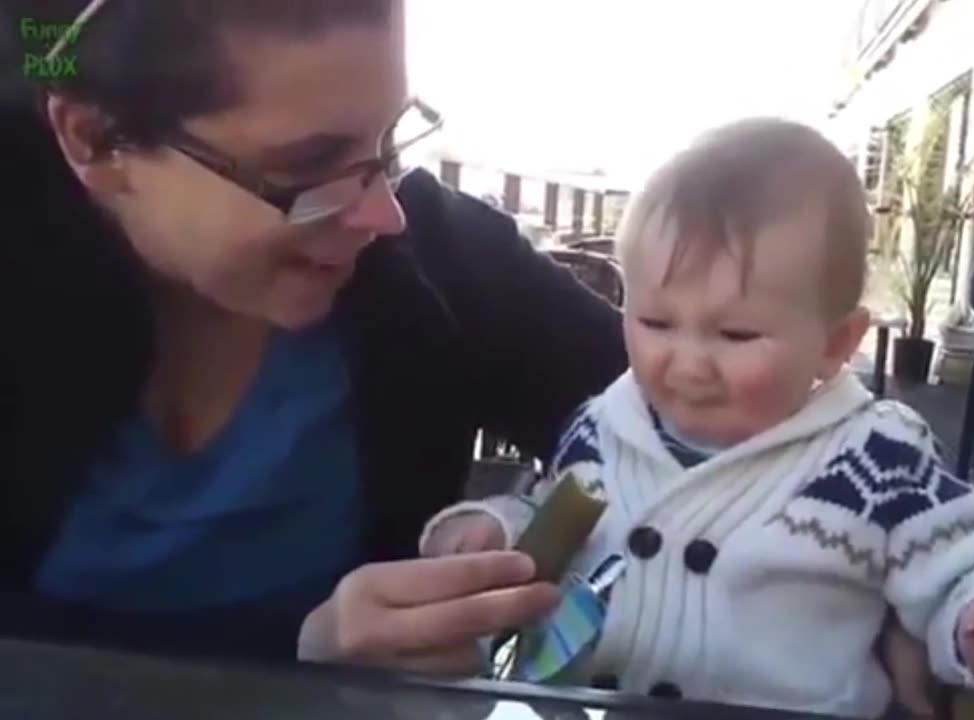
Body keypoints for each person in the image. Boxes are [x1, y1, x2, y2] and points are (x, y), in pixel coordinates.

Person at [0, 0, 628, 670]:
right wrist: (296, 655)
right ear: (94, 139)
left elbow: (697, 432)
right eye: (311, 166)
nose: (384, 213)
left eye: (388, 142)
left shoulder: (445, 261)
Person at [420, 118, 974, 717]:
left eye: (736, 336)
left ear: (835, 344)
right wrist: (494, 528)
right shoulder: (603, 426)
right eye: (655, 321)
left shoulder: (874, 459)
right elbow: (554, 517)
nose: (686, 363)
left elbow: (960, 559)